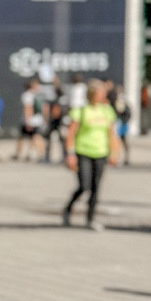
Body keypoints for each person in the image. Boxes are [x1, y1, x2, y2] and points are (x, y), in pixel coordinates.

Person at [62, 79, 116, 228]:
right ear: (92, 94)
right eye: (100, 93)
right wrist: (70, 153)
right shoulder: (81, 110)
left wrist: (114, 153)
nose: (103, 96)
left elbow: (112, 134)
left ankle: (90, 219)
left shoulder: (107, 111)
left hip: (101, 152)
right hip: (83, 151)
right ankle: (68, 209)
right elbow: (71, 133)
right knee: (84, 185)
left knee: (96, 186)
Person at [15, 81, 44, 161]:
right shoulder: (37, 95)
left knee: (35, 137)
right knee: (30, 137)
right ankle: (29, 153)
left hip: (31, 120)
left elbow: (28, 108)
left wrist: (28, 121)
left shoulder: (27, 95)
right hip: (37, 119)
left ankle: (39, 154)